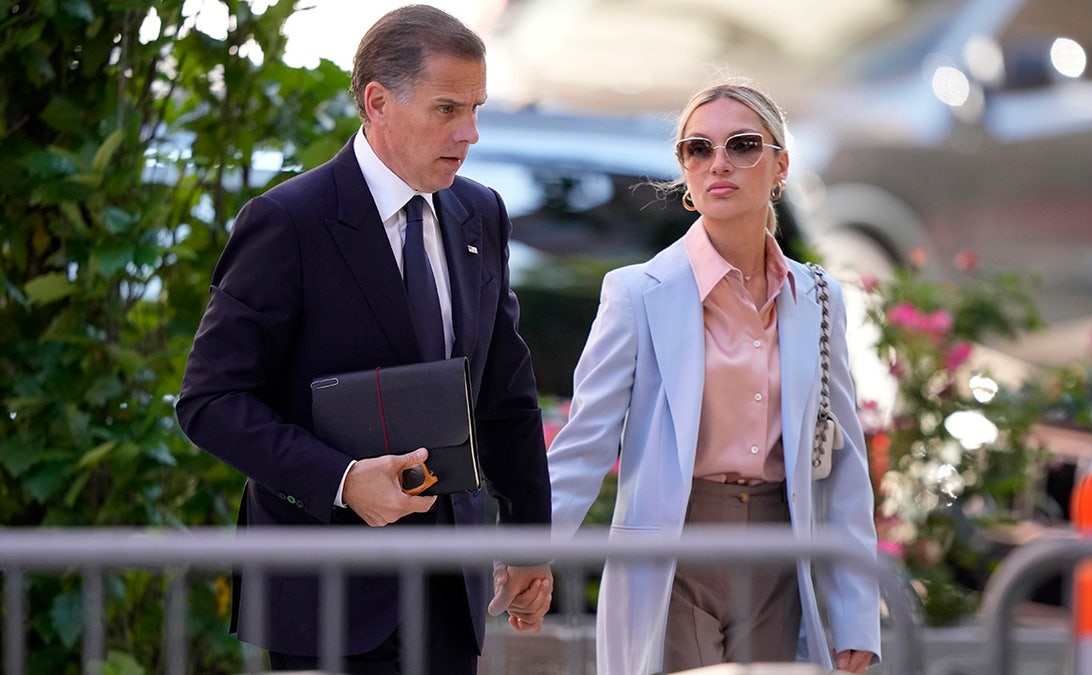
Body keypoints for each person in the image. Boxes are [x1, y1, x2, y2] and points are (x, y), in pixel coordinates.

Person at [175, 5, 552, 673]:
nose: (469, 133)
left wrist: (529, 540)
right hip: (325, 590)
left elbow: (505, 397)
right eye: (446, 110)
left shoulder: (480, 211)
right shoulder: (288, 221)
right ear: (377, 102)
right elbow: (210, 401)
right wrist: (344, 481)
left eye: (476, 108)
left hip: (446, 584)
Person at [547, 79, 881, 674]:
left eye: (743, 144)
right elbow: (585, 443)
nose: (718, 162)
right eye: (697, 149)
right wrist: (527, 554)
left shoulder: (819, 296)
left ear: (780, 165)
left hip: (781, 552)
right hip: (673, 555)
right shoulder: (636, 293)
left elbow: (843, 466)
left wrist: (855, 615)